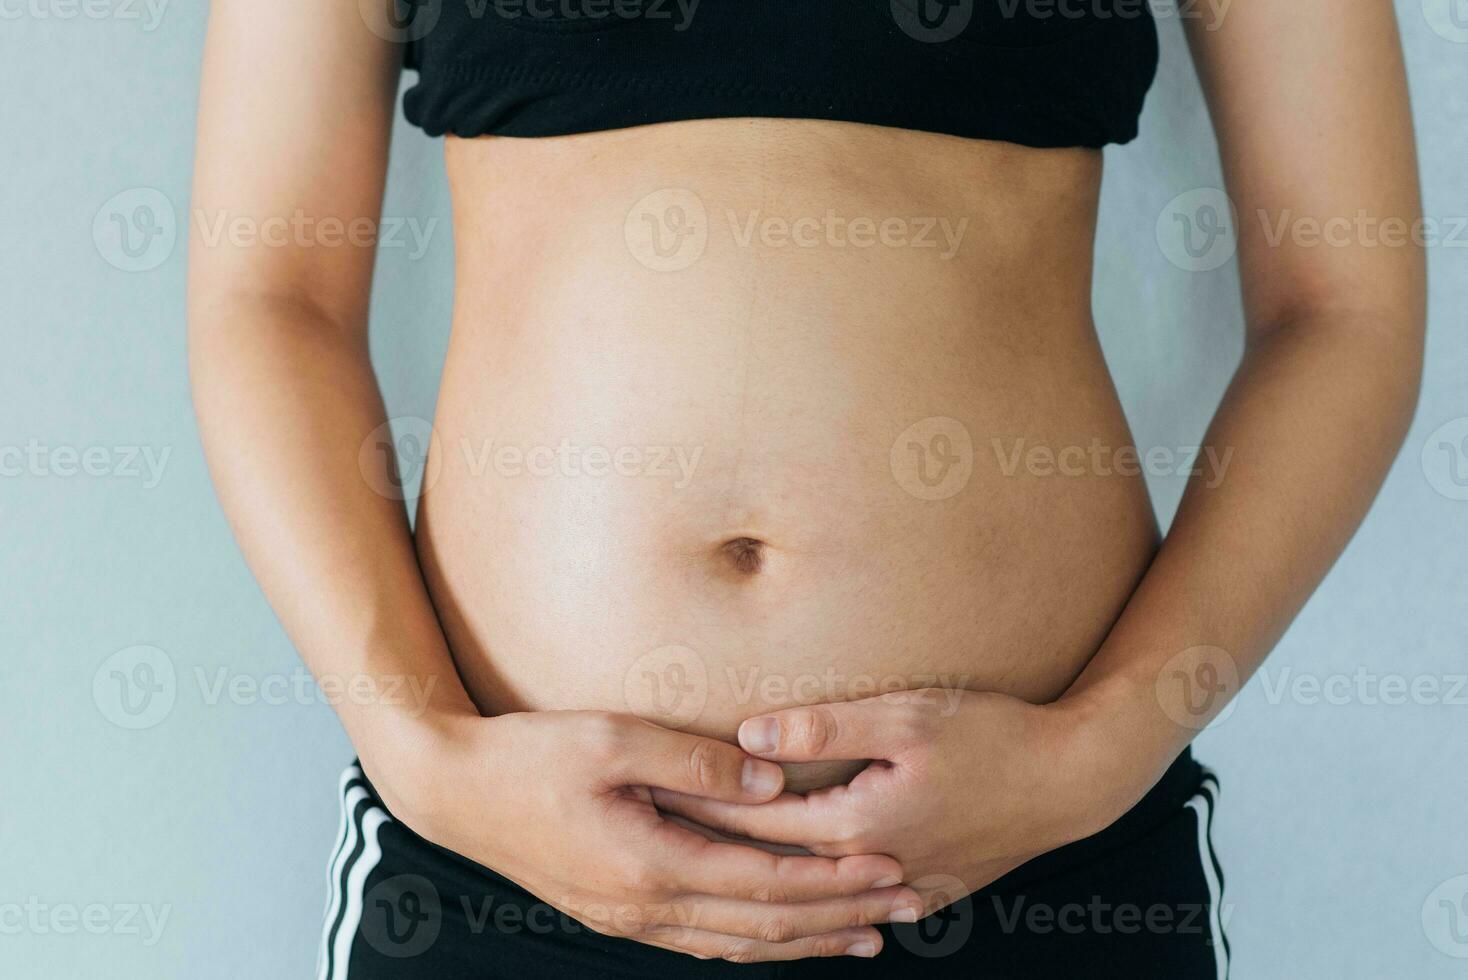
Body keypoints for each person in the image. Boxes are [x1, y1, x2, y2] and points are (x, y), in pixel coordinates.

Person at [188, 1, 1423, 976]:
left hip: (1034, 861)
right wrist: (421, 755)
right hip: (508, 863)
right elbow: (269, 299)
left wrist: (1096, 754)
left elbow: (1344, 310)